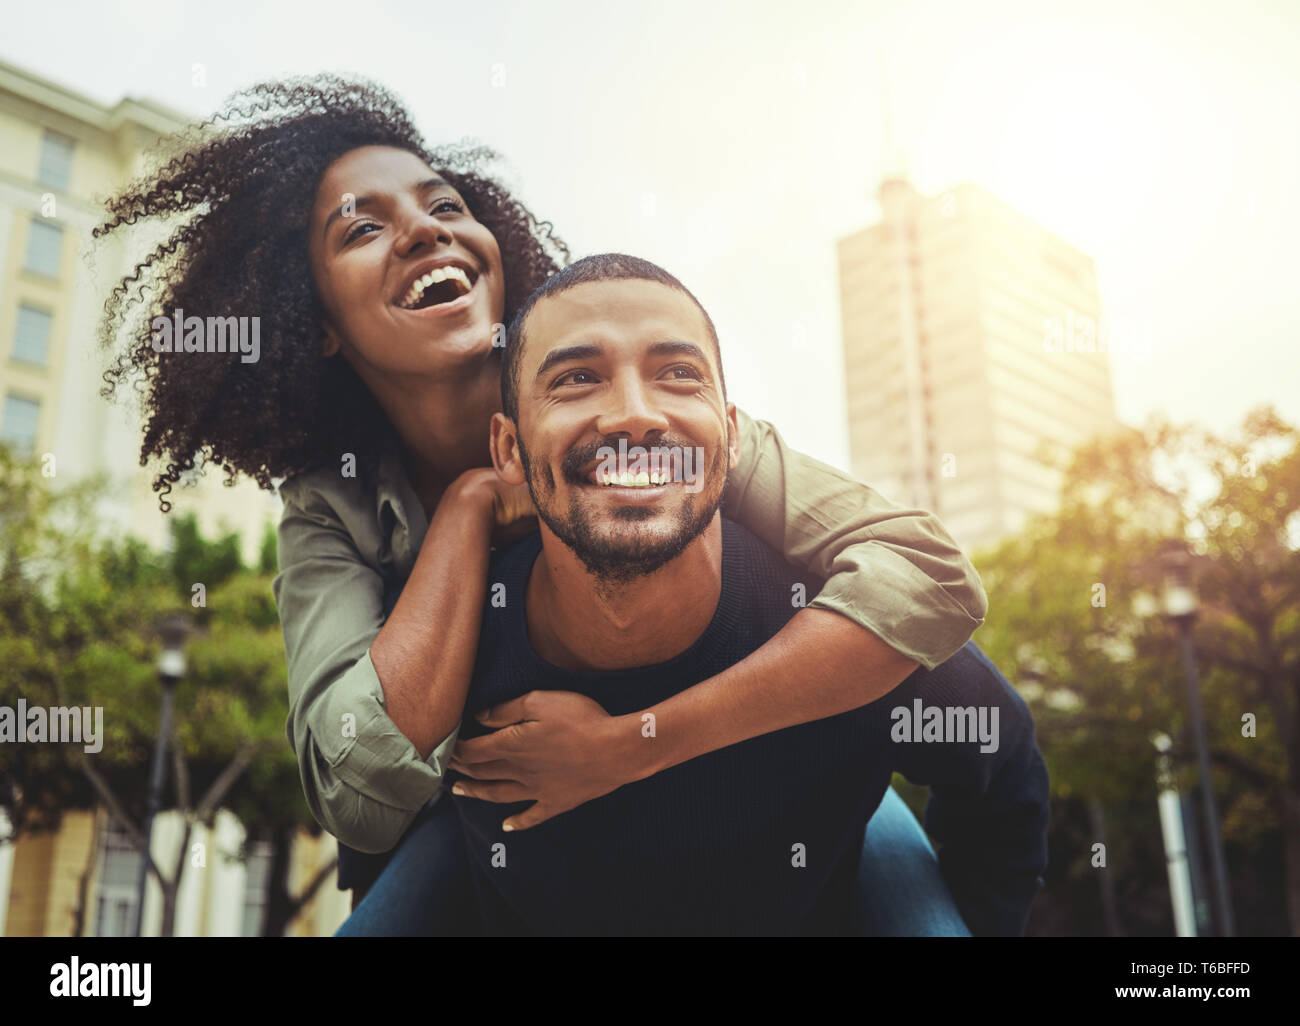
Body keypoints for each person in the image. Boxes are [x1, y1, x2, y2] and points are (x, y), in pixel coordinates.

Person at [94, 75, 988, 922]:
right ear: (314, 321)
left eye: (446, 206)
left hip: (764, 770)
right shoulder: (332, 510)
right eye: (361, 230)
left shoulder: (646, 423)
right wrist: (470, 511)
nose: (424, 232)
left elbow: (925, 576)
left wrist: (636, 743)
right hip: (490, 823)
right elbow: (354, 790)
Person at [437, 254, 1049, 935]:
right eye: (578, 379)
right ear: (509, 449)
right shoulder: (458, 638)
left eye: (677, 375)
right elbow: (366, 804)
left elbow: (1004, 762)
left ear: (730, 436)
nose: (635, 416)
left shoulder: (852, 626)